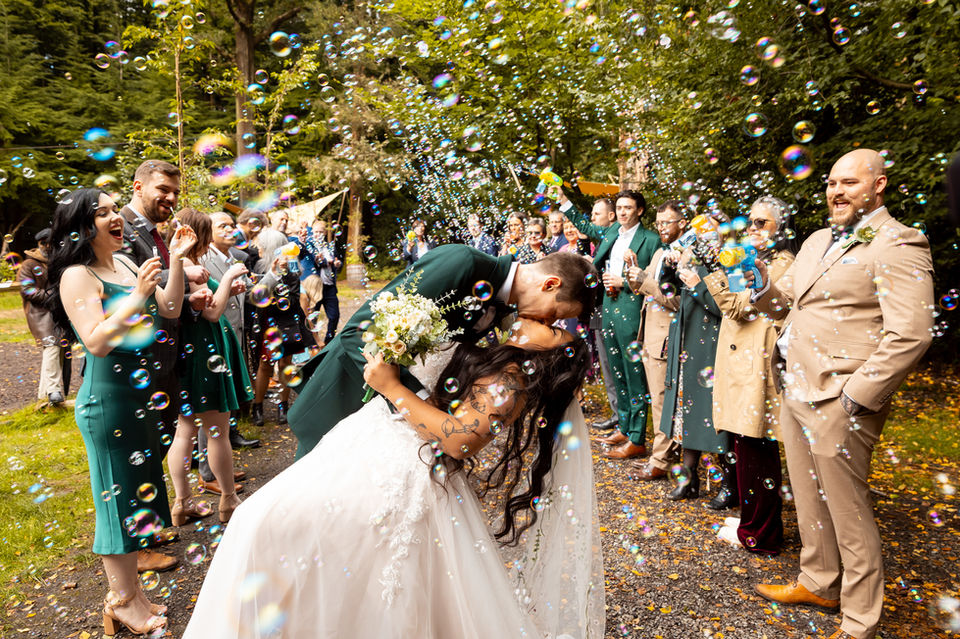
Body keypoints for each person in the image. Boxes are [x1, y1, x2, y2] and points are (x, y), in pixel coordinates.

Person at [183, 320, 604, 638]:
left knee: (274, 530)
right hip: (371, 447)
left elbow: (460, 442)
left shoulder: (512, 379)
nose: (540, 319)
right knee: (295, 546)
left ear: (550, 351)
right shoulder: (496, 342)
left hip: (400, 474)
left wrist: (392, 388)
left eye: (553, 328)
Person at [750, 149, 934, 639]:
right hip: (795, 385)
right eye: (831, 182)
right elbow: (782, 302)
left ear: (879, 185)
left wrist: (857, 396)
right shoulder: (815, 241)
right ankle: (819, 581)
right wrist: (756, 277)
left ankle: (860, 621)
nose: (836, 191)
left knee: (848, 512)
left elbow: (911, 334)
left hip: (840, 397)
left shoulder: (900, 243)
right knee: (808, 497)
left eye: (849, 182)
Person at [46, 187, 194, 636]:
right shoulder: (78, 275)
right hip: (109, 402)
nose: (117, 218)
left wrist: (175, 263)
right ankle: (121, 602)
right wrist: (138, 294)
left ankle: (134, 595)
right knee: (117, 500)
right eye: (103, 212)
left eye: (116, 210)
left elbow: (168, 306)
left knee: (136, 496)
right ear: (82, 227)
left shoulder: (127, 263)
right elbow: (95, 340)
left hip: (142, 396)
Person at [288, 245, 600, 458]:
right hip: (346, 398)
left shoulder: (507, 312)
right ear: (550, 284)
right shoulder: (463, 263)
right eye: (556, 313)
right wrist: (420, 401)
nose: (549, 322)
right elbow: (360, 333)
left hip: (401, 431)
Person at [119, 159, 208, 571]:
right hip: (137, 357)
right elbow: (123, 294)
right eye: (162, 190)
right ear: (139, 187)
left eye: (175, 192)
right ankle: (135, 546)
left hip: (163, 356)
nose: (170, 199)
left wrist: (186, 300)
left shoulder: (156, 233)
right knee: (136, 448)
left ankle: (149, 527)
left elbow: (160, 296)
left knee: (155, 443)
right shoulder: (120, 228)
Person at [703, 197, 795, 550]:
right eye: (751, 223)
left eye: (762, 223)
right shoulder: (759, 262)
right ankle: (750, 520)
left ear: (781, 229)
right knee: (746, 446)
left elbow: (739, 307)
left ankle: (760, 533)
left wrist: (714, 271)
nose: (753, 230)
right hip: (744, 363)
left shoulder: (782, 264)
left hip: (756, 366)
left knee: (756, 447)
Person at [168, 209, 254, 527]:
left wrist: (225, 289)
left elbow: (203, 303)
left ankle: (181, 503)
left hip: (188, 356)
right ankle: (229, 500)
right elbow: (211, 314)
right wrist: (230, 277)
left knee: (185, 430)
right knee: (217, 431)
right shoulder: (190, 267)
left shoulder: (178, 265)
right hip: (204, 356)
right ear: (200, 236)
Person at [560, 189, 661, 459]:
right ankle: (625, 428)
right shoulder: (612, 232)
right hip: (608, 306)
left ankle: (638, 438)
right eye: (620, 207)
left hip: (631, 306)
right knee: (617, 371)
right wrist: (562, 199)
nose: (623, 212)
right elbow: (583, 225)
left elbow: (659, 282)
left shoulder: (651, 240)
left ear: (640, 210)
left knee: (634, 374)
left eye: (628, 207)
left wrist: (624, 283)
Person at [657, 214, 731, 503]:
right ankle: (689, 477)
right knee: (685, 409)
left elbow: (723, 308)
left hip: (709, 345)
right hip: (685, 341)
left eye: (709, 231)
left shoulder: (727, 262)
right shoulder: (695, 258)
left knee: (710, 413)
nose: (703, 236)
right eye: (699, 231)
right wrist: (668, 269)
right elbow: (671, 293)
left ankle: (728, 482)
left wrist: (699, 284)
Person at [624, 200, 686, 481]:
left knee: (663, 401)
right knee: (657, 398)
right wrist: (635, 271)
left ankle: (661, 460)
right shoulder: (661, 252)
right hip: (649, 334)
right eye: (658, 223)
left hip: (666, 337)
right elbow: (644, 286)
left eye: (667, 222)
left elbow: (677, 300)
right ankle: (661, 456)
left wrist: (645, 282)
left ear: (682, 223)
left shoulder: (685, 255)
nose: (661, 227)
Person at [198, 211, 260, 490]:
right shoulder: (204, 259)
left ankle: (219, 467)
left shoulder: (231, 257)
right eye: (222, 225)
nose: (231, 229)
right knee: (210, 408)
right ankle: (208, 473)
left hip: (232, 333)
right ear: (208, 232)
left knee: (222, 407)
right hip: (214, 336)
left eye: (233, 225)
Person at [249, 228, 316, 427]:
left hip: (286, 324)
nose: (257, 247)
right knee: (265, 366)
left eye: (261, 244)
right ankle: (258, 407)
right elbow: (256, 296)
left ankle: (283, 406)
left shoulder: (291, 270)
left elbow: (293, 299)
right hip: (267, 324)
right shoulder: (258, 266)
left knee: (286, 365)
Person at [18, 228, 69, 405]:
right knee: (52, 346)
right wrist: (53, 296)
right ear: (40, 244)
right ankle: (54, 390)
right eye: (47, 243)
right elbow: (27, 290)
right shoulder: (29, 265)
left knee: (58, 349)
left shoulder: (57, 261)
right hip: (40, 314)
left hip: (58, 312)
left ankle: (43, 397)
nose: (50, 246)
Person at [585, 197, 619, 432]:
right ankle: (617, 414)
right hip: (598, 309)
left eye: (597, 214)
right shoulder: (601, 243)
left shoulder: (617, 240)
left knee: (616, 366)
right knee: (606, 366)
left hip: (614, 309)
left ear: (611, 216)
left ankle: (622, 419)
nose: (593, 219)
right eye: (592, 214)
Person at [309, 220, 342, 345]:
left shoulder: (330, 247)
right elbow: (311, 263)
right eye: (316, 232)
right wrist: (323, 261)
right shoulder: (309, 247)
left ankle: (329, 342)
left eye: (321, 232)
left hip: (329, 287)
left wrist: (338, 264)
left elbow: (338, 260)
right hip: (315, 287)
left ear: (325, 232)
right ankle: (314, 344)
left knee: (334, 316)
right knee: (313, 317)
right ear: (312, 233)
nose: (318, 234)